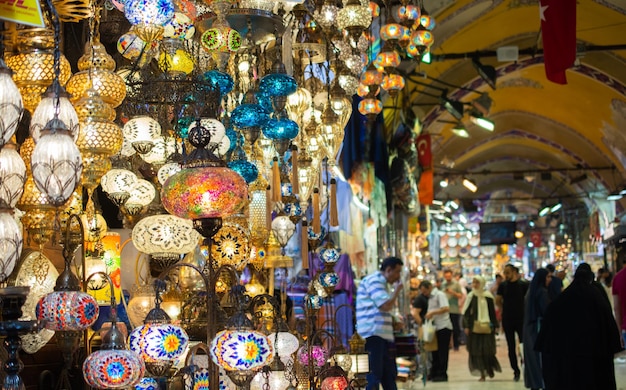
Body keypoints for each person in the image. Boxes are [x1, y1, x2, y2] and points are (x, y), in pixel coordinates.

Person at [536, 263, 622, 390]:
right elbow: (607, 321)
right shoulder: (596, 296)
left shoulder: (563, 299)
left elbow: (549, 332)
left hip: (569, 359)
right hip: (595, 356)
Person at [356, 256, 404, 390]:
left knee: (388, 375)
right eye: (397, 272)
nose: (398, 276)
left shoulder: (381, 284)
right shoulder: (375, 281)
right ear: (389, 270)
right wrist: (397, 291)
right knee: (374, 375)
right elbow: (385, 305)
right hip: (373, 333)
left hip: (381, 335)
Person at [462, 276, 501, 381]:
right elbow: (465, 313)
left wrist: (496, 325)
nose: (475, 285)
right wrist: (466, 326)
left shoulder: (488, 297)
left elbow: (492, 313)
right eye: (473, 282)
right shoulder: (471, 296)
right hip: (474, 328)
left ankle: (489, 368)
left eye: (477, 282)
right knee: (476, 351)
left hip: (487, 327)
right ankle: (482, 373)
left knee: (487, 350)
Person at [496, 264, 529, 381]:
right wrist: (503, 309)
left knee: (524, 345)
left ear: (514, 272)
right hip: (508, 319)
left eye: (508, 272)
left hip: (521, 318)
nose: (506, 275)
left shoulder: (523, 284)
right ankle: (515, 370)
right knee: (511, 346)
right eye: (505, 273)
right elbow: (498, 299)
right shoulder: (503, 285)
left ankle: (525, 366)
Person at [419, 279, 453, 382]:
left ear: (429, 288)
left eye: (425, 291)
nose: (424, 294)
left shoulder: (439, 295)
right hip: (435, 327)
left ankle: (442, 374)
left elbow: (446, 308)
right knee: (435, 351)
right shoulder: (430, 297)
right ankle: (434, 372)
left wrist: (432, 313)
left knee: (442, 352)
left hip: (443, 326)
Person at [523, 268, 551, 390]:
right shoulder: (542, 292)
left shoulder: (531, 292)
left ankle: (535, 384)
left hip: (529, 329)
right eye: (548, 277)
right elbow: (546, 312)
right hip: (538, 330)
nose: (550, 280)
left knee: (532, 359)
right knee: (540, 360)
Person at [442, 269, 463, 351]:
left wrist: (452, 292)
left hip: (454, 309)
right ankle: (448, 345)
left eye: (449, 276)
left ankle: (456, 345)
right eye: (446, 276)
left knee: (455, 328)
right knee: (446, 328)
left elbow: (460, 295)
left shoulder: (456, 284)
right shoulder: (443, 284)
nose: (448, 278)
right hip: (444, 310)